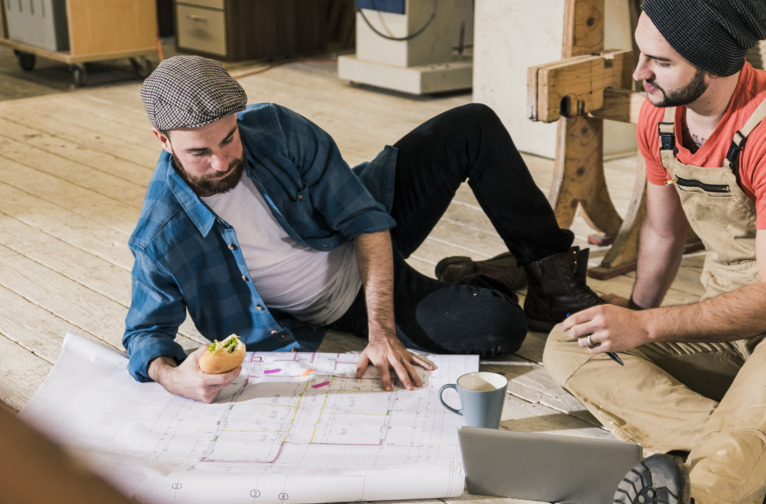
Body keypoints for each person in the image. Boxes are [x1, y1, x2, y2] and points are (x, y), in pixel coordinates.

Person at [123, 55, 603, 403]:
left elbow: (366, 220)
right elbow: (146, 333)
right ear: (162, 141)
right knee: (502, 328)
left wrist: (383, 332)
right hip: (340, 304)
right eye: (200, 153)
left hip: (363, 230)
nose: (223, 159)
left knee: (470, 124)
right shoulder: (161, 232)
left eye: (230, 139)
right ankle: (483, 278)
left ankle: (551, 282)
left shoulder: (276, 129)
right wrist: (172, 377)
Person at [543, 0, 766, 504]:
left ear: (716, 65)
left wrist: (648, 330)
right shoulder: (660, 115)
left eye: (658, 62)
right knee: (570, 344)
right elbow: (663, 231)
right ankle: (745, 458)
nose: (638, 73)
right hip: (726, 332)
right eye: (640, 52)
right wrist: (633, 320)